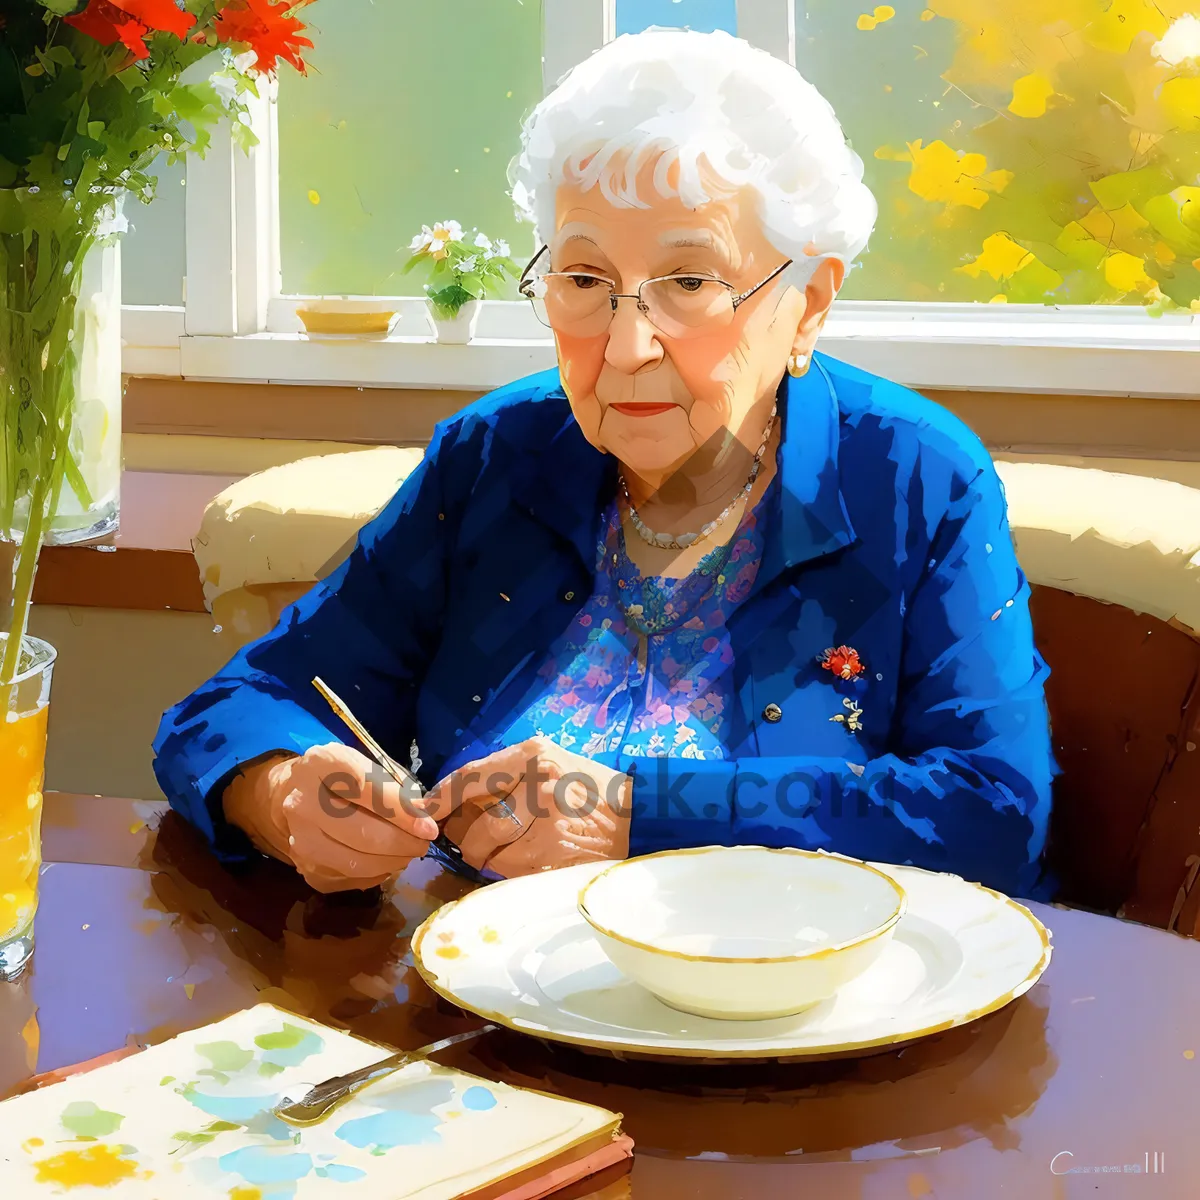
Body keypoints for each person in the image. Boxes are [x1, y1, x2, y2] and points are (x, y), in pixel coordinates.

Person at [153, 28, 1056, 900]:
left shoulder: (916, 478)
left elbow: (993, 813)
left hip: (775, 1023)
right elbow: (245, 699)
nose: (626, 345)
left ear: (808, 303)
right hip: (470, 1004)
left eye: (690, 283)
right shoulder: (496, 454)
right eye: (585, 280)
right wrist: (281, 793)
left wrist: (638, 813)